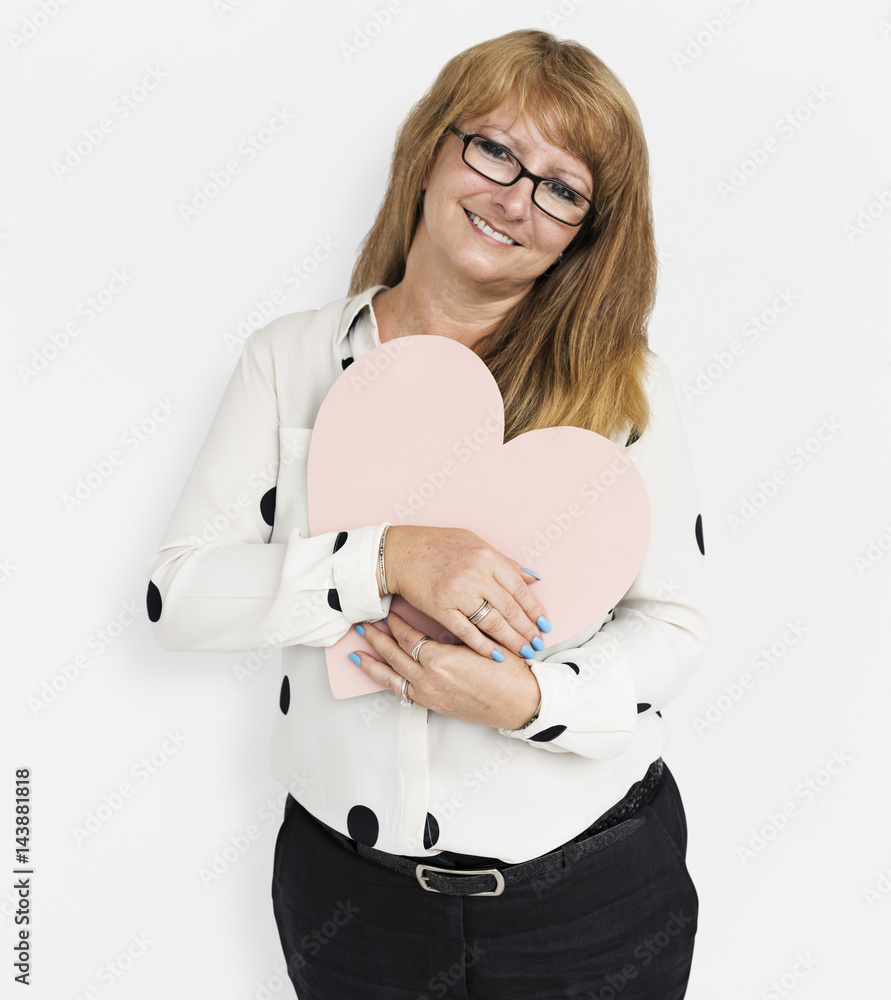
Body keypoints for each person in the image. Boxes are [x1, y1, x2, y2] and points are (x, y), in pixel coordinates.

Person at [145, 27, 710, 999]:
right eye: (494, 149)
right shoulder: (291, 362)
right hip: (352, 907)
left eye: (561, 187)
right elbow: (180, 594)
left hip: (591, 895)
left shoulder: (627, 387)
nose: (514, 197)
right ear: (431, 147)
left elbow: (674, 622)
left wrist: (535, 703)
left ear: (587, 229)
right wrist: (384, 558)